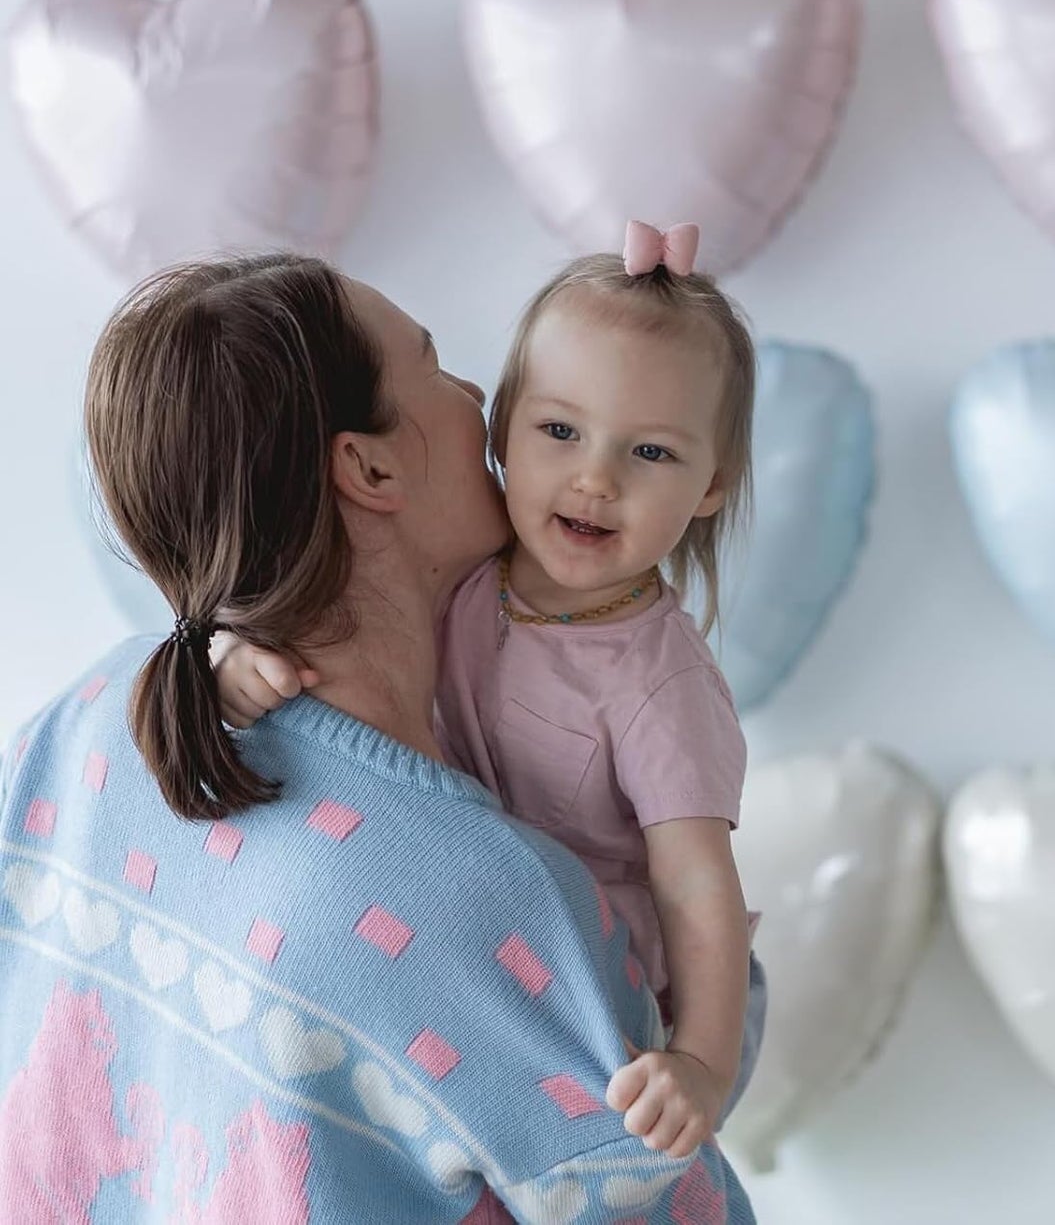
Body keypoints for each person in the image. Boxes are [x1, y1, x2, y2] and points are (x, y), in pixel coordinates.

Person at [0, 254, 754, 1223]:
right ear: (369, 466)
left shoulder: (98, 706)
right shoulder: (492, 900)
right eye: (434, 365)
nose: (480, 394)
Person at [216, 221, 765, 1161]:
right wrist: (234, 655)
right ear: (503, 425)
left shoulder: (659, 680)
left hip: (613, 985)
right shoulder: (463, 571)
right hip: (471, 925)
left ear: (712, 485)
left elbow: (696, 889)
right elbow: (331, 623)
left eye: (651, 454)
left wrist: (704, 1063)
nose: (594, 478)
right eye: (560, 431)